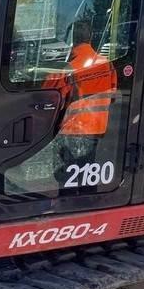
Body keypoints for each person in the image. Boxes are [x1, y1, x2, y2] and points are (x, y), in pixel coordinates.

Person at [41, 18, 118, 186]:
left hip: (73, 130)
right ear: (90, 38)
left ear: (72, 40)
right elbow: (111, 96)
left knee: (67, 180)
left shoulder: (68, 67)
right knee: (88, 175)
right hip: (97, 129)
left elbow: (49, 95)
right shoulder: (107, 65)